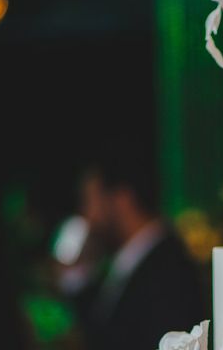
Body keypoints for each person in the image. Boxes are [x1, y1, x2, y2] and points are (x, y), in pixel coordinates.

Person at [58, 140, 206, 350]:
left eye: (90, 201)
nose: (87, 216)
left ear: (122, 199)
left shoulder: (167, 272)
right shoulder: (125, 260)